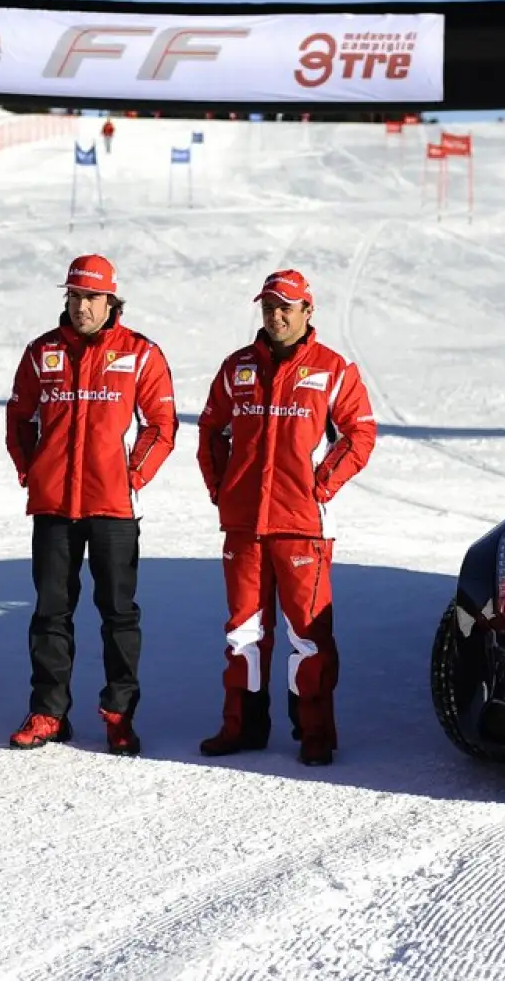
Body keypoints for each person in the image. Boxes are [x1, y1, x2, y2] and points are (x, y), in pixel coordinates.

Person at [195, 270, 378, 767]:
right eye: (269, 307)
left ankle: (314, 731)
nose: (276, 316)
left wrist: (320, 486)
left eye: (286, 308)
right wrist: (222, 490)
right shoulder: (238, 369)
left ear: (307, 312)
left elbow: (360, 435)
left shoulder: (333, 369)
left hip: (303, 527)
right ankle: (242, 727)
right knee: (244, 633)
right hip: (245, 526)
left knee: (308, 636)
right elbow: (211, 429)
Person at [4, 255, 177, 756]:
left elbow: (161, 425)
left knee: (119, 614)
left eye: (92, 298)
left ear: (111, 302)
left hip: (114, 510)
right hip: (55, 506)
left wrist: (133, 476)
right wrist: (31, 469)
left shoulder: (140, 354)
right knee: (50, 614)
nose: (81, 306)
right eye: (75, 297)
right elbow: (20, 417)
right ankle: (48, 712)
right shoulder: (43, 352)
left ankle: (119, 714)